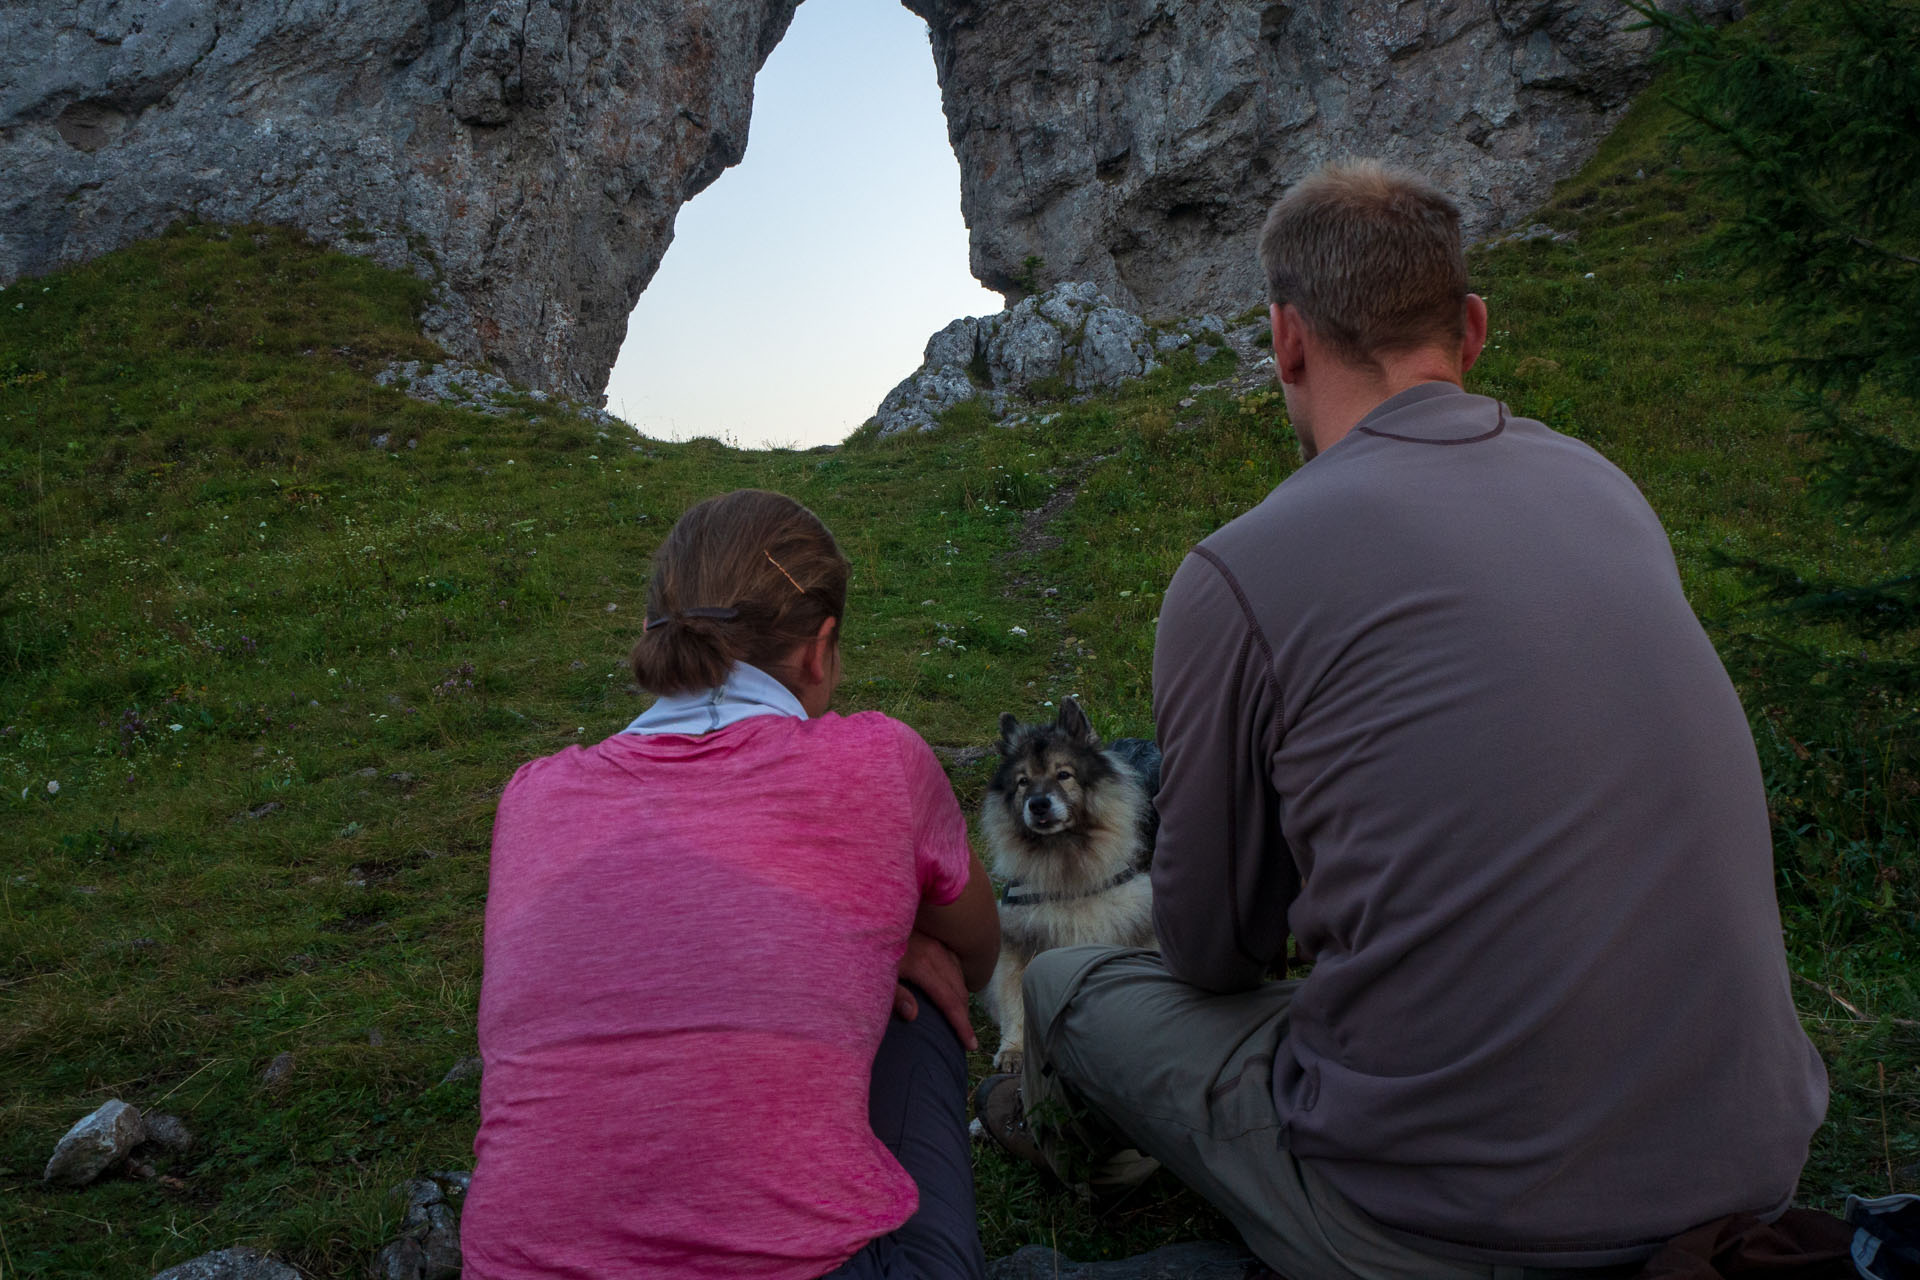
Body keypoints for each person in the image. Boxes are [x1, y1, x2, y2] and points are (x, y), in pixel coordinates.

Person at [975, 161, 1829, 1279]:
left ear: (1286, 339)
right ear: (1471, 329)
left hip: (1453, 1218)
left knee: (1063, 982)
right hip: (1755, 1164)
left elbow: (1213, 951)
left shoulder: (1236, 572)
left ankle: (1076, 1168)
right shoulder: (1607, 488)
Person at [464, 488, 1000, 1280]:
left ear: (654, 634)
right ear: (820, 650)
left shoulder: (533, 795)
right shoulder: (879, 761)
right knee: (931, 988)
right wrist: (875, 946)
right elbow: (980, 956)